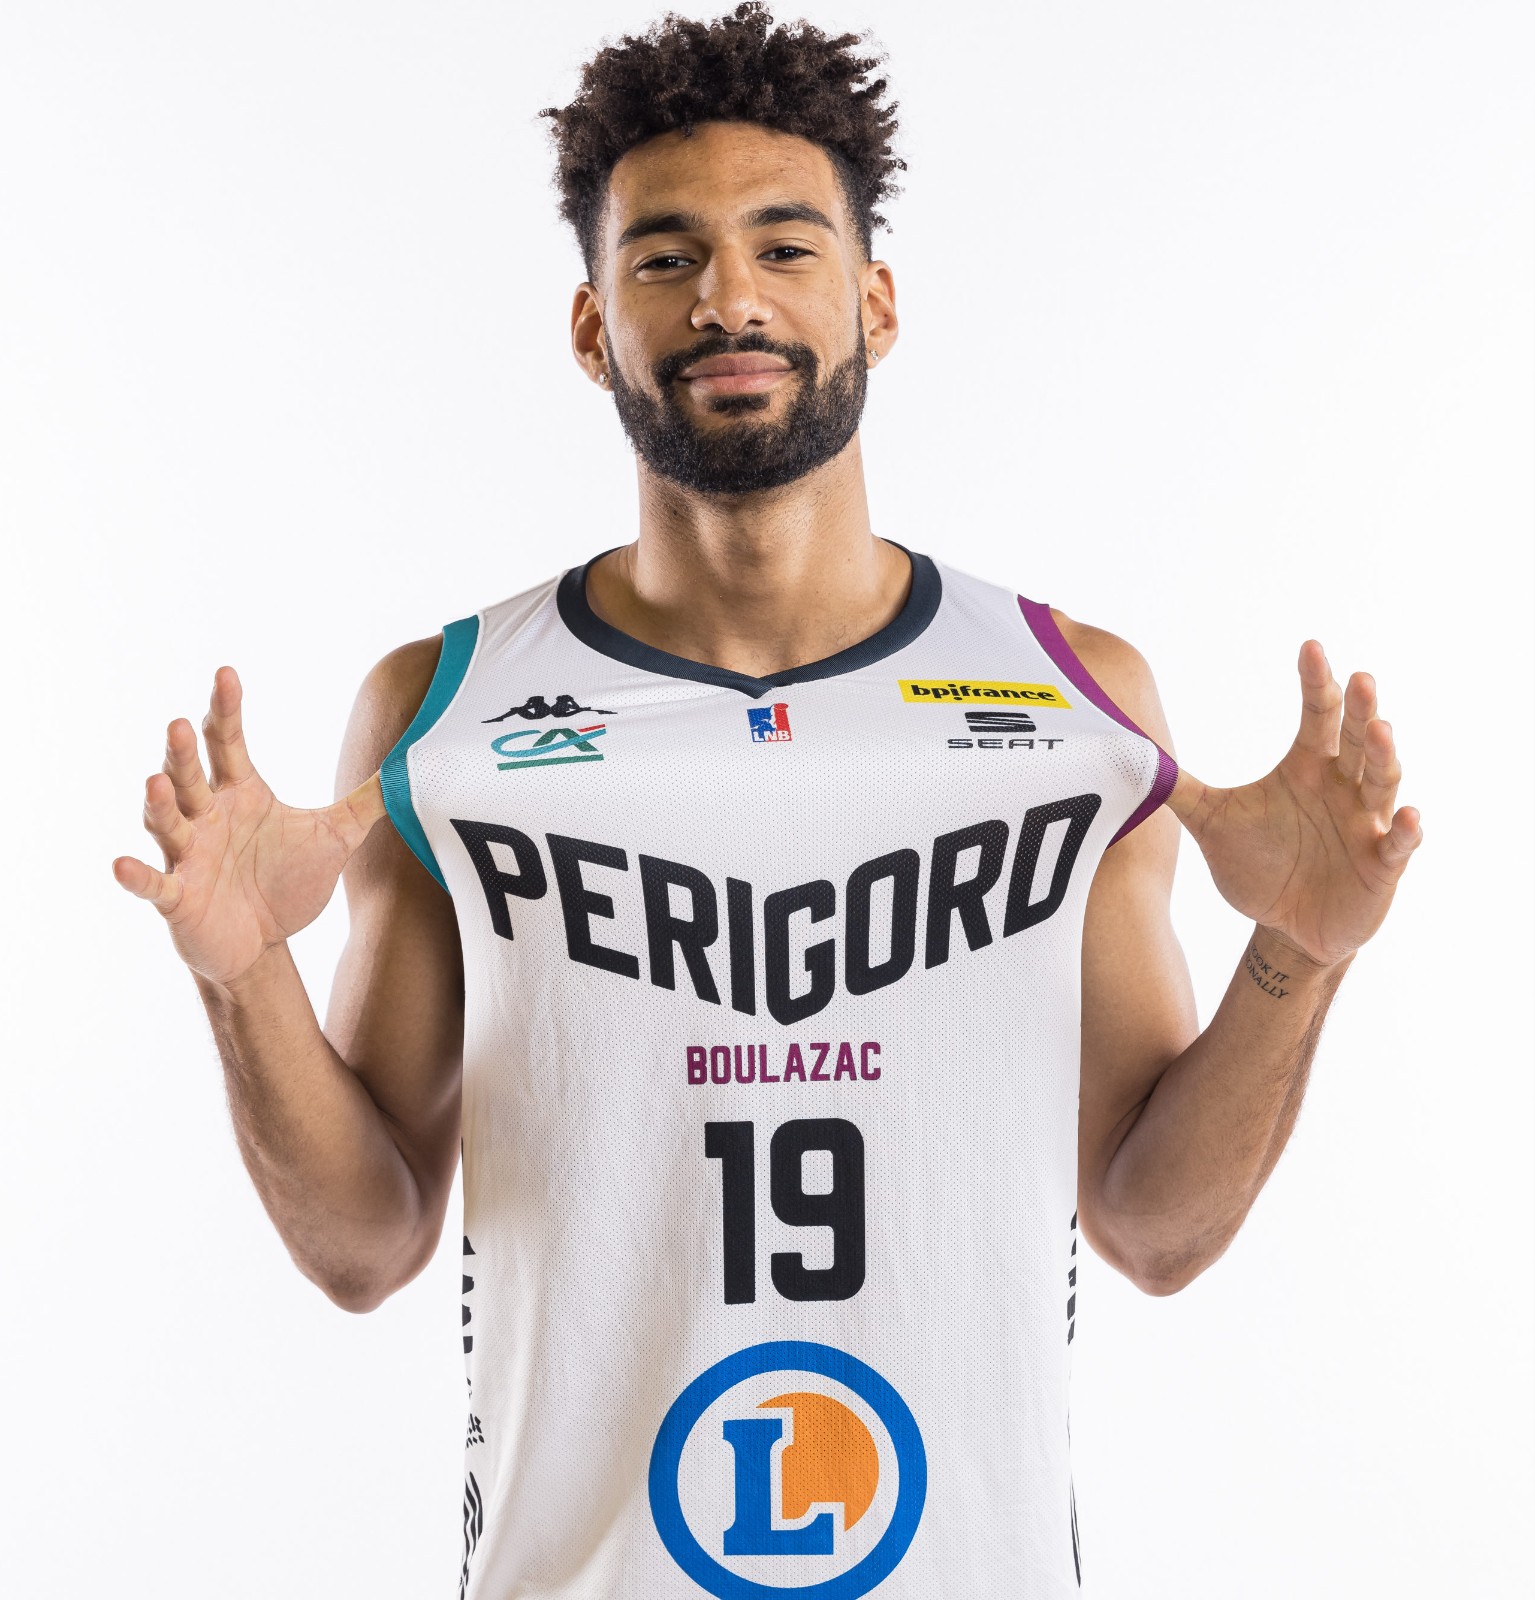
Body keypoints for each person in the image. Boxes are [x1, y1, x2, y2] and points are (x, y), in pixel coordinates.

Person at [111, 6, 1423, 1595]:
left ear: (874, 300)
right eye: (664, 257)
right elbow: (363, 1244)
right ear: (592, 325)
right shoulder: (441, 711)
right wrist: (245, 972)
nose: (728, 297)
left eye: (784, 247)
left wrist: (1298, 954)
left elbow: (1156, 1228)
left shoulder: (1075, 698)